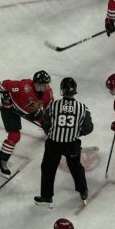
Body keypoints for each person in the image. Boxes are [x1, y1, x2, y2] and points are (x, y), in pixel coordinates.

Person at [34, 77, 93, 208]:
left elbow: (45, 122)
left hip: (53, 144)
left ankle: (46, 196)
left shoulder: (53, 105)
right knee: (76, 168)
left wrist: (49, 131)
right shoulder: (82, 108)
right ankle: (83, 191)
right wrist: (77, 133)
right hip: (72, 144)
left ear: (62, 90)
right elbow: (89, 128)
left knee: (48, 169)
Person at [0, 70, 55, 177]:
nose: (46, 87)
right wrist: (6, 103)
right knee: (14, 136)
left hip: (32, 109)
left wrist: (49, 123)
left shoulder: (48, 92)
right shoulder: (23, 86)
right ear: (35, 84)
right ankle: (1, 163)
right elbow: (2, 85)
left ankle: (50, 132)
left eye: (47, 84)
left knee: (49, 124)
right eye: (43, 85)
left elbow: (49, 109)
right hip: (11, 110)